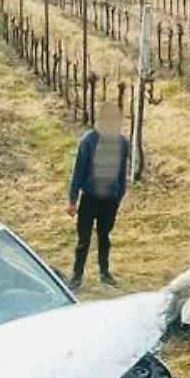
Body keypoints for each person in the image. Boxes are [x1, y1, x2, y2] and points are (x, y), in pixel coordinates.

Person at [66, 101, 131, 289]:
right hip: (89, 198)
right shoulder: (89, 141)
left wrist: (119, 197)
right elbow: (78, 172)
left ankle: (105, 272)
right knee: (83, 240)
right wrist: (72, 200)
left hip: (110, 200)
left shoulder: (122, 144)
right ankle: (77, 275)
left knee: (105, 238)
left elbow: (121, 174)